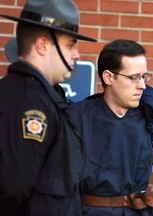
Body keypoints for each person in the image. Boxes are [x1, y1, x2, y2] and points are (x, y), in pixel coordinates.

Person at [0, 0, 96, 215]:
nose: (77, 54)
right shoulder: (30, 103)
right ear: (42, 45)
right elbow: (12, 190)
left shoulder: (40, 97)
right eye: (71, 44)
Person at [68, 39, 153, 216]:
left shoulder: (151, 118)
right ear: (109, 77)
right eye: (134, 77)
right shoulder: (75, 117)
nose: (142, 86)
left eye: (144, 76)